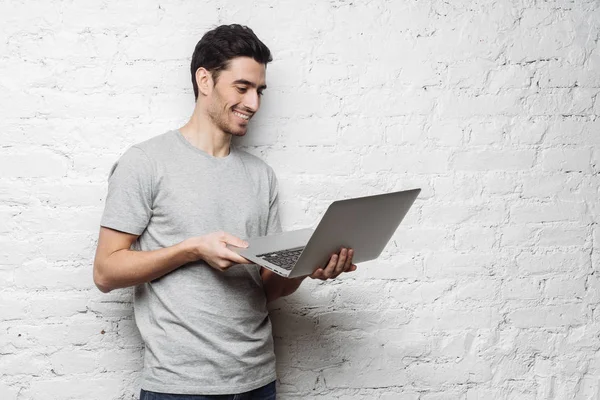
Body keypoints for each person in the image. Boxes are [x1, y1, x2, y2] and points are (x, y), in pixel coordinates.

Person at [93, 24, 356, 400]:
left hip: (257, 381)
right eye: (242, 88)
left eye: (259, 91)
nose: (253, 104)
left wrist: (308, 269)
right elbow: (105, 272)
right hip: (180, 387)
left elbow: (266, 288)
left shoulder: (261, 176)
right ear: (205, 80)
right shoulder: (146, 163)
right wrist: (192, 248)